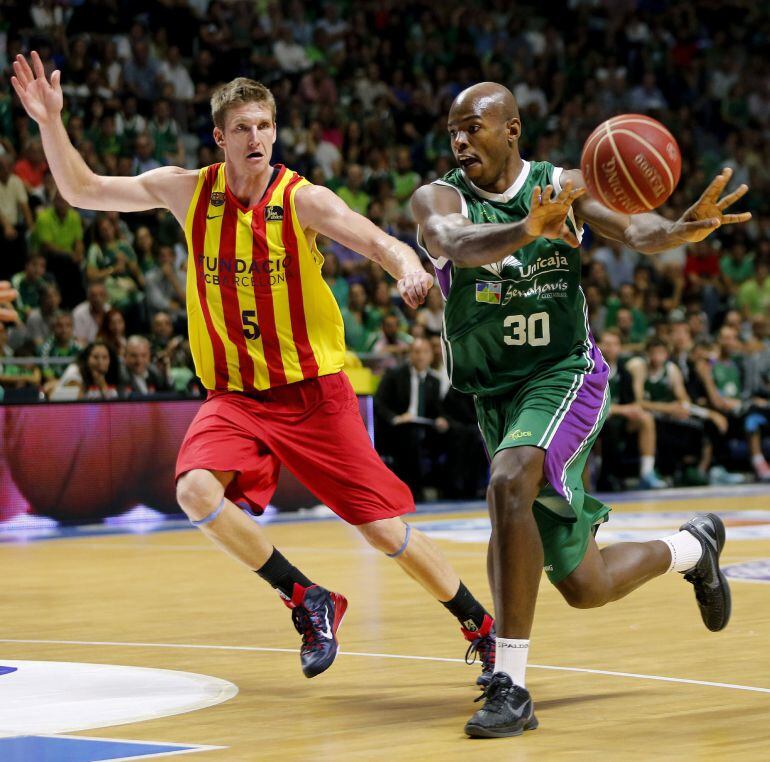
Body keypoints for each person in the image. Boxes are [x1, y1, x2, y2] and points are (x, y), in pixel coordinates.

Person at [13, 52, 497, 684]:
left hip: (313, 393)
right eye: (242, 128)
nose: (257, 138)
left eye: (265, 126)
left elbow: (379, 240)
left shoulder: (303, 200)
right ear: (220, 138)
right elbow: (83, 190)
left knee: (382, 530)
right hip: (237, 397)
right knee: (193, 490)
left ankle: (479, 627)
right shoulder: (189, 191)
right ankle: (307, 598)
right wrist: (51, 121)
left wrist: (406, 268)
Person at [411, 82, 750, 737]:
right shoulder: (439, 196)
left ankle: (509, 683)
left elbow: (635, 225)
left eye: (472, 128)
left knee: (509, 482)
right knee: (584, 583)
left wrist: (677, 229)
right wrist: (525, 228)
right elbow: (452, 240)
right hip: (496, 394)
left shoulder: (564, 183)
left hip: (563, 374)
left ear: (512, 130)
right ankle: (692, 547)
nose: (459, 141)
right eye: (452, 130)